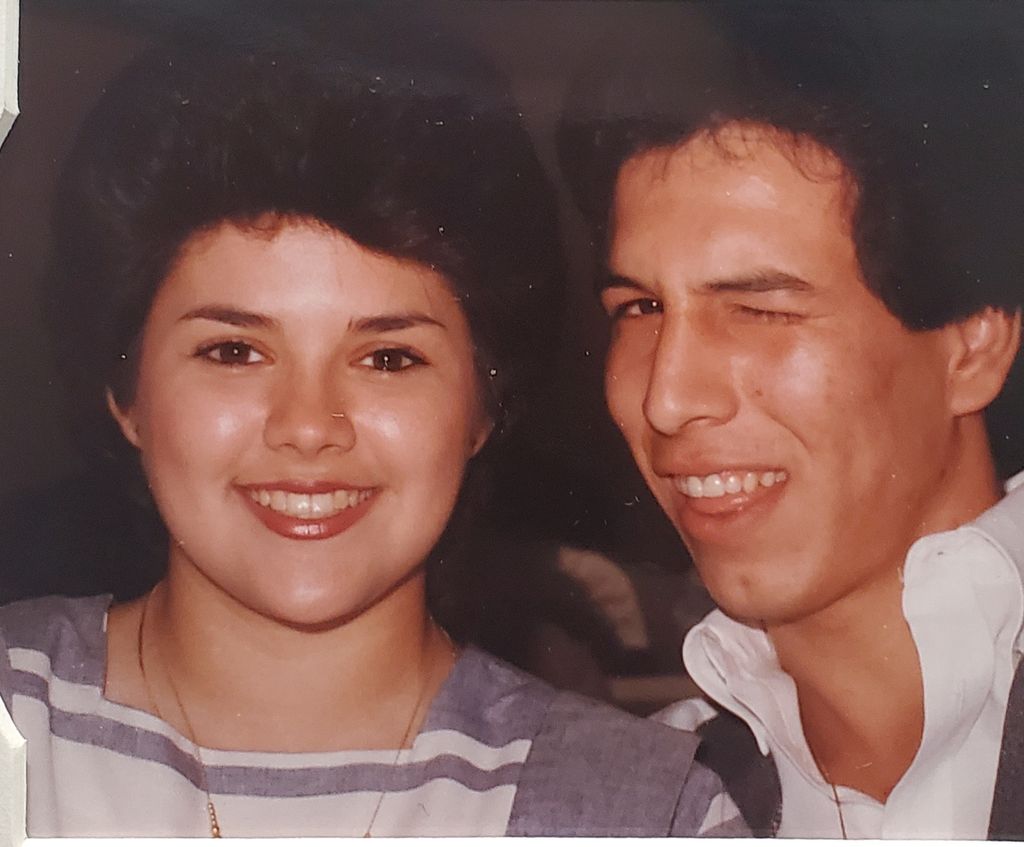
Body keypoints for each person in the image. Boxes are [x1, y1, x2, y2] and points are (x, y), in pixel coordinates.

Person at [0, 27, 745, 838]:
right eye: (234, 350)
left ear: (483, 407)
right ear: (126, 394)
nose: (308, 426)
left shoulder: (646, 812)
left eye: (388, 358)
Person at [559, 2, 1024, 839]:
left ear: (971, 343)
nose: (667, 397)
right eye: (640, 308)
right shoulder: (634, 804)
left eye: (758, 309)